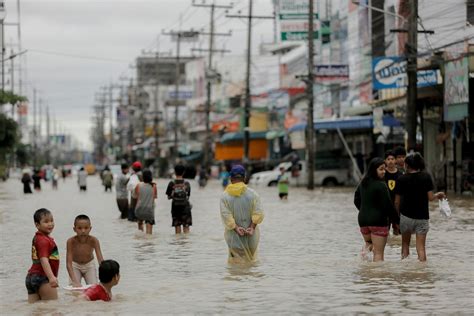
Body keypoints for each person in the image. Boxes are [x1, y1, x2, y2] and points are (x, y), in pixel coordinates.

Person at [394, 152, 446, 262]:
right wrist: (438, 195)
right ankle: (422, 273)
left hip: (406, 217)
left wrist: (396, 219)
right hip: (422, 217)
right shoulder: (426, 177)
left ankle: (405, 269)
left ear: (407, 165)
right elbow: (431, 198)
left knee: (405, 244)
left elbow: (397, 202)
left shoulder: (401, 179)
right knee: (421, 248)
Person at [354, 158, 399, 262]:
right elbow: (388, 206)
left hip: (363, 221)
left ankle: (363, 257)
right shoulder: (381, 185)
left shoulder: (363, 183)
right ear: (374, 170)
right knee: (378, 253)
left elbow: (356, 200)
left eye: (384, 169)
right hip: (378, 221)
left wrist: (364, 210)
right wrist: (397, 221)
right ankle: (377, 277)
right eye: (381, 169)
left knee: (369, 243)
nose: (384, 171)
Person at [220, 165, 264, 263]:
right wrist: (252, 227)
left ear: (231, 178)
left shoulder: (225, 196)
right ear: (244, 178)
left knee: (236, 267)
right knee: (250, 266)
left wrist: (236, 228)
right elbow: (258, 213)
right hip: (251, 237)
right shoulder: (253, 194)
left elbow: (226, 216)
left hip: (234, 238)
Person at [25, 208, 60, 303]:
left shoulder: (37, 238)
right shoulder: (44, 241)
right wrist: (51, 277)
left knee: (36, 310)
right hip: (43, 277)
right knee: (52, 308)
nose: (50, 224)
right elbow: (43, 260)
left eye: (52, 220)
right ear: (37, 225)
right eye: (46, 221)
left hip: (31, 278)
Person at [66, 215, 104, 287]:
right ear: (74, 229)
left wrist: (104, 277)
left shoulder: (94, 240)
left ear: (90, 228)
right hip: (75, 266)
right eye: (79, 228)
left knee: (94, 287)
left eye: (86, 228)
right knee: (74, 289)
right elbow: (68, 263)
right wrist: (74, 281)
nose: (83, 231)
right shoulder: (70, 241)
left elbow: (100, 260)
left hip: (89, 265)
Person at [166, 164, 192, 234]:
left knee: (177, 227)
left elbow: (168, 197)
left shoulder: (171, 183)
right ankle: (185, 244)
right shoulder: (187, 184)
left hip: (175, 207)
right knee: (186, 228)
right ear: (183, 172)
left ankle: (178, 244)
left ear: (175, 172)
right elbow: (188, 196)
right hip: (185, 207)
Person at [384, 150, 402, 235]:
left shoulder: (400, 174)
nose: (390, 161)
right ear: (385, 161)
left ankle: (395, 247)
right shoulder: (382, 174)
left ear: (395, 161)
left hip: (397, 207)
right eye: (388, 159)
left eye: (392, 159)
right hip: (385, 207)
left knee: (397, 232)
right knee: (385, 232)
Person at [134, 169, 157, 234]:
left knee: (140, 232)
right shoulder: (154, 186)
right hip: (149, 210)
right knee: (149, 235)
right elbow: (155, 197)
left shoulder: (138, 185)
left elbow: (135, 196)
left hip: (139, 209)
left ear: (143, 177)